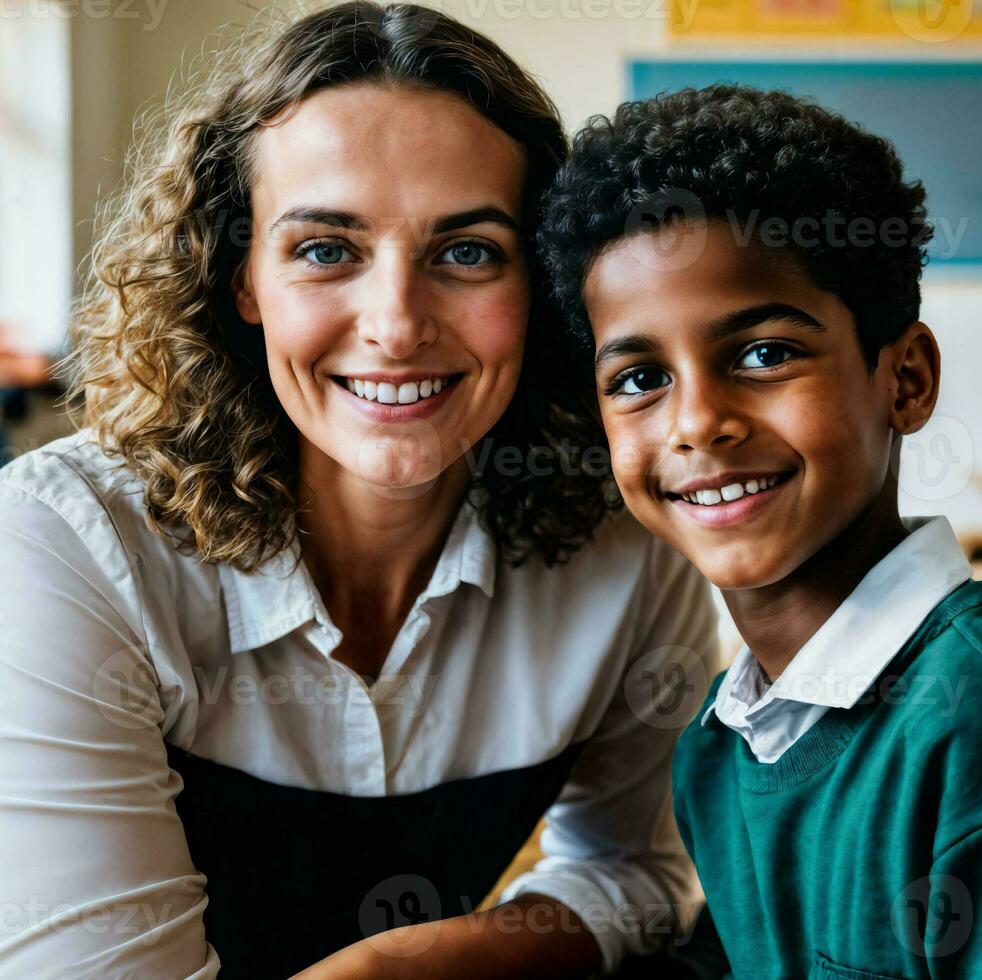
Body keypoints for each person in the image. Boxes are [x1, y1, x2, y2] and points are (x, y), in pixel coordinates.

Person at [0, 5, 719, 978]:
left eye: (466, 251)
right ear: (240, 274)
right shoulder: (66, 543)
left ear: (540, 283)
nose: (396, 324)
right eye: (325, 248)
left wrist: (396, 966)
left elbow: (635, 872)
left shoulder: (627, 540)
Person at [535, 84, 982, 978]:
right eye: (637, 377)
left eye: (765, 354)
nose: (696, 423)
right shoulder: (721, 740)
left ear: (905, 381)